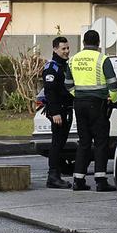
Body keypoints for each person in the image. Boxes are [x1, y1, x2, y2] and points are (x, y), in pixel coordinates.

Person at [69, 29, 117, 192]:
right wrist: (112, 98)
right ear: (98, 44)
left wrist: (77, 95)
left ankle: (78, 180)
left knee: (83, 142)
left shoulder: (73, 59)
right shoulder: (102, 59)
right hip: (97, 104)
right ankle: (100, 180)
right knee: (100, 142)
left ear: (83, 42)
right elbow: (113, 84)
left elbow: (68, 83)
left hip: (79, 103)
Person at [42, 36, 74, 188]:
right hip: (58, 110)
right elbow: (50, 91)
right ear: (55, 49)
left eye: (68, 48)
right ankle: (53, 176)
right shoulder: (52, 67)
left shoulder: (64, 65)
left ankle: (56, 173)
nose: (67, 51)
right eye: (63, 49)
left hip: (65, 109)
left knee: (60, 143)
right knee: (57, 143)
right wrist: (55, 112)